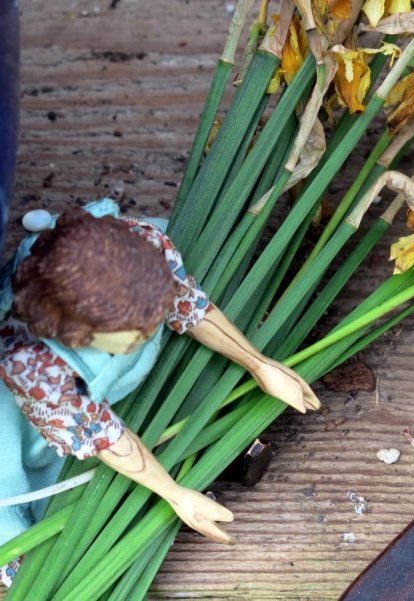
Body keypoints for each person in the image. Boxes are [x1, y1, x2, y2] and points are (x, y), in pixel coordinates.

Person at [0, 202, 320, 586]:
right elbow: (103, 433)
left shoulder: (141, 245)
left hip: (109, 381)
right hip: (27, 425)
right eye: (133, 330)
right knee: (23, 504)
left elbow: (186, 302)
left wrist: (259, 363)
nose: (151, 325)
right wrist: (175, 494)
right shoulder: (32, 364)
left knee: (171, 375)